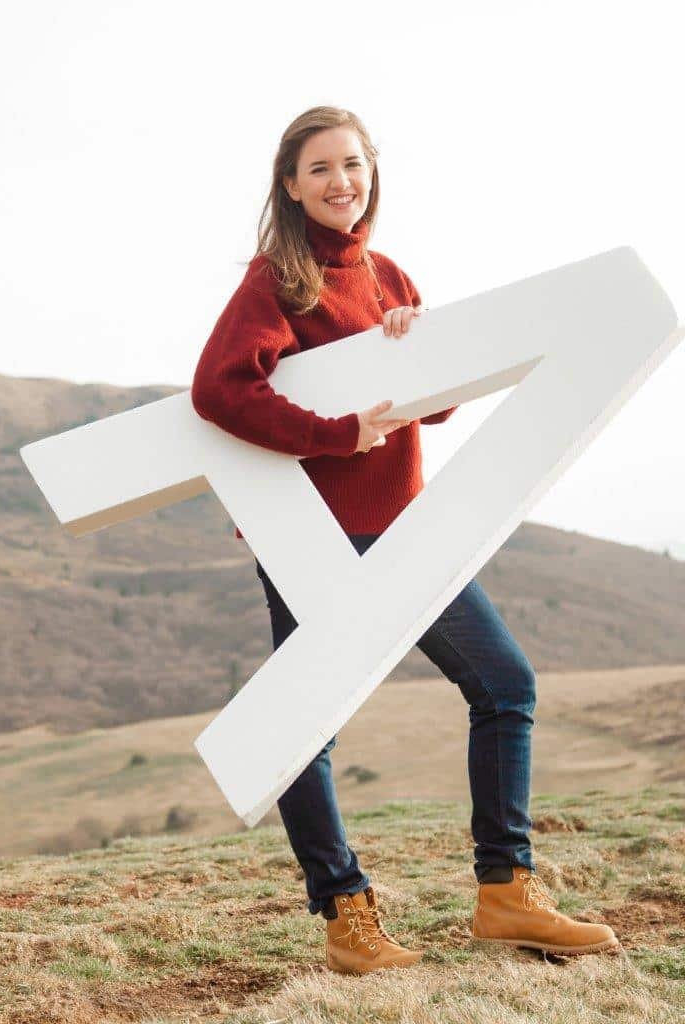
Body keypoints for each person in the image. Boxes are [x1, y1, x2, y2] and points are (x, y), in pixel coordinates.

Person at [190, 105, 619, 975]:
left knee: (505, 682)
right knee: (307, 724)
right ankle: (346, 915)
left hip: (405, 525)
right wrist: (334, 431)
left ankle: (506, 893)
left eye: (353, 164)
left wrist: (411, 350)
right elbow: (219, 390)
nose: (340, 181)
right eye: (319, 169)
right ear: (289, 185)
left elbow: (442, 399)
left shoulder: (386, 274)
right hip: (314, 529)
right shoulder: (279, 279)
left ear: (372, 171)